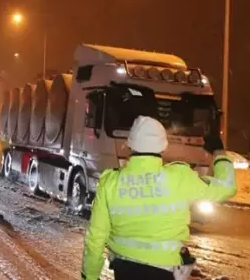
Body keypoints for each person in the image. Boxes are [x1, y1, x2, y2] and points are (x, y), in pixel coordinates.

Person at [81, 116, 237, 280]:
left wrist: (90, 276)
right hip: (166, 271)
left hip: (124, 270)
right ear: (163, 147)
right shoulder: (180, 177)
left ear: (129, 145)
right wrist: (219, 153)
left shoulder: (110, 182)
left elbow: (95, 238)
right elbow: (226, 187)